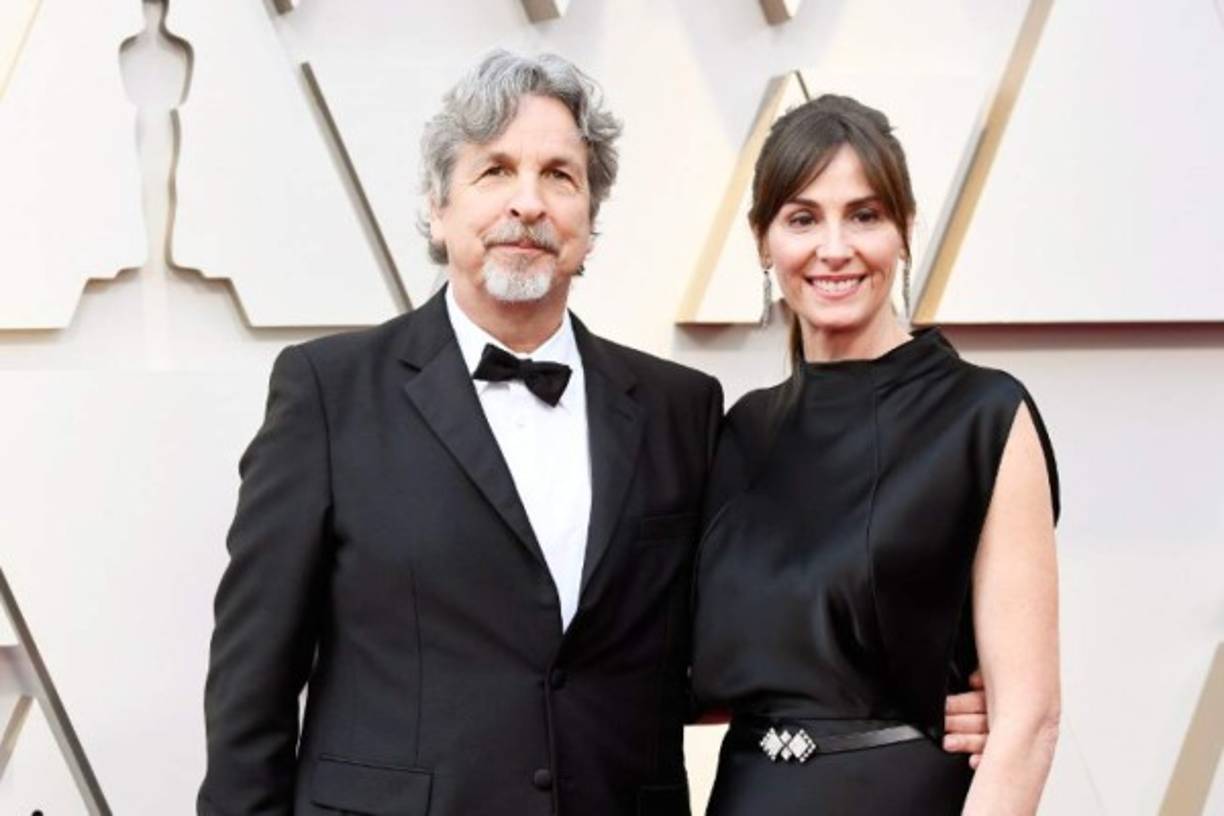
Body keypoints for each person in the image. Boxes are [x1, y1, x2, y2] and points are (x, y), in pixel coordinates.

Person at [198, 53, 990, 816]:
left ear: (590, 220)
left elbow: (732, 637)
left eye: (559, 176)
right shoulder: (328, 393)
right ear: (439, 210)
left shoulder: (682, 410)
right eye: (495, 170)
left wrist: (912, 697)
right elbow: (251, 686)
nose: (529, 203)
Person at [691, 94, 1061, 815]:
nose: (835, 248)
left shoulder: (984, 417)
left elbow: (1028, 724)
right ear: (764, 241)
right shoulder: (741, 432)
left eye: (864, 215)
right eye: (803, 218)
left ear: (904, 231)